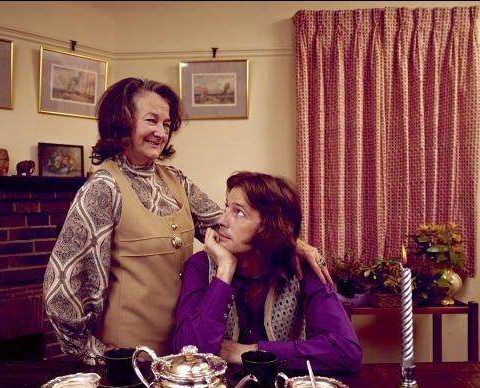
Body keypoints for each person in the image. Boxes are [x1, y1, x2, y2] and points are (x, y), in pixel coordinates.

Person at [43, 77, 332, 364]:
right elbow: (63, 283)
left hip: (185, 355)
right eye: (151, 121)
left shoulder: (176, 180)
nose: (161, 132)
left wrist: (293, 243)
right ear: (122, 121)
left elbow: (228, 226)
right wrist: (93, 352)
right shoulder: (102, 188)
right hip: (132, 360)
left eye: (167, 124)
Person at [172, 171, 362, 372]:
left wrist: (253, 352)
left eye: (239, 213)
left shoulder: (301, 268)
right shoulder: (200, 266)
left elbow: (347, 352)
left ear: (269, 226)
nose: (221, 220)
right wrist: (225, 271)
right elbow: (186, 352)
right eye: (227, 207)